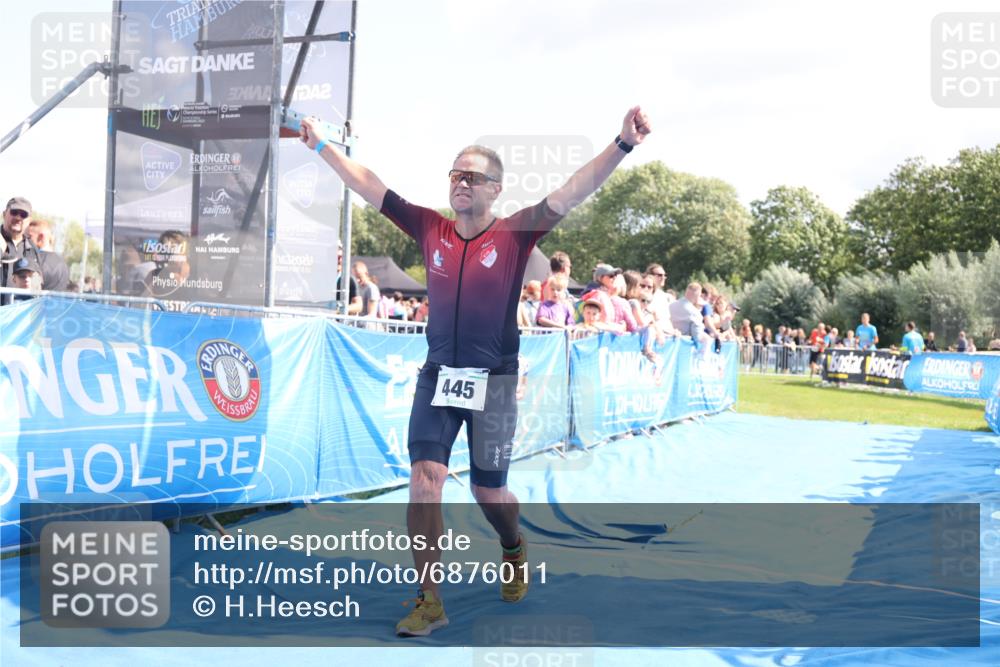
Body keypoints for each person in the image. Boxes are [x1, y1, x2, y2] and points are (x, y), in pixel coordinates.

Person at [300, 105, 651, 636]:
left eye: (473, 176)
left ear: (495, 190)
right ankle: (429, 600)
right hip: (438, 377)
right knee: (425, 481)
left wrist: (622, 144)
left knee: (491, 495)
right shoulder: (429, 228)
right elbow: (371, 185)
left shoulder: (515, 234)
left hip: (495, 383)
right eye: (455, 174)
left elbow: (575, 188)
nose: (461, 183)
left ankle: (513, 545)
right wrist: (325, 146)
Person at [1, 197, 43, 298]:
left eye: (23, 215)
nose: (18, 218)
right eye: (14, 212)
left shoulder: (32, 250)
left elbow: (37, 288)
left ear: (29, 221)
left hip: (18, 312)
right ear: (4, 214)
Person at [26, 219, 70, 291]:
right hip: (57, 301)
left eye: (29, 237)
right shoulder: (63, 263)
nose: (26, 240)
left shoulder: (34, 260)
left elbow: (33, 291)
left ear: (41, 237)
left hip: (38, 301)